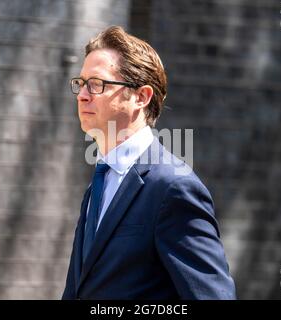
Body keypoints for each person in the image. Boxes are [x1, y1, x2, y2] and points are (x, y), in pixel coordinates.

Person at [62, 26, 236, 300]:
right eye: (80, 83)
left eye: (97, 84)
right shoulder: (100, 182)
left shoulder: (173, 188)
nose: (83, 94)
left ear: (141, 97)